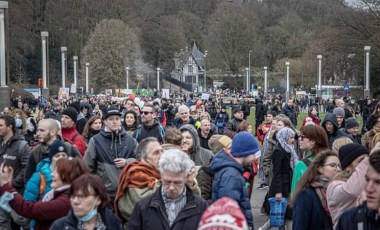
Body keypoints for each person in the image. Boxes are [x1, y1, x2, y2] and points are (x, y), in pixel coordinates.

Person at [127, 149, 208, 230]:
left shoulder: (200, 207)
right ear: (161, 176)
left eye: (177, 183)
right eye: (167, 182)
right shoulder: (143, 207)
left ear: (186, 177)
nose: (171, 188)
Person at [0, 157, 90, 230]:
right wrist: (7, 186)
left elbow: (30, 209)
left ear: (69, 176)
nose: (52, 174)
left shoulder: (66, 201)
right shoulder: (60, 194)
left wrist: (6, 185)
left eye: (56, 172)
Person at [84, 107, 137, 207]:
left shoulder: (130, 140)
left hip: (127, 192)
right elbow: (88, 167)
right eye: (111, 119)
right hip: (105, 193)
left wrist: (127, 161)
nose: (114, 122)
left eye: (117, 119)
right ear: (105, 122)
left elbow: (141, 160)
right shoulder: (95, 140)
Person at [211, 131, 261, 228]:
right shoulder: (231, 175)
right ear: (245, 152)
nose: (255, 158)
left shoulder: (233, 171)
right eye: (253, 154)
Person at [114, 137, 163, 226]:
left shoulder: (160, 173)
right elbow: (146, 204)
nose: (162, 155)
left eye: (162, 151)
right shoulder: (135, 174)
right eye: (156, 153)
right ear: (143, 159)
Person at [50, 174, 123, 230]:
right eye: (73, 196)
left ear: (98, 199)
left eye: (82, 196)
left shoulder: (114, 224)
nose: (75, 201)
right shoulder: (59, 226)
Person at [292, 150, 340, 230]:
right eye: (333, 165)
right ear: (320, 168)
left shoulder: (337, 191)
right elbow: (299, 226)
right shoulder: (305, 194)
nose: (337, 169)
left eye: (339, 166)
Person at [259, 127, 297, 230]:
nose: (293, 140)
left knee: (281, 214)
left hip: (287, 184)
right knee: (279, 214)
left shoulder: (289, 149)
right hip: (281, 186)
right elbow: (277, 173)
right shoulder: (279, 151)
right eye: (291, 137)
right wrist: (278, 191)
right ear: (284, 137)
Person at [326, 143, 370, 228]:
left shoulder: (366, 184)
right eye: (361, 161)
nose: (365, 165)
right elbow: (351, 191)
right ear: (347, 167)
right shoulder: (334, 186)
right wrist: (370, 159)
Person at [336, 147, 380, 230]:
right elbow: (350, 191)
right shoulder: (350, 220)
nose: (369, 189)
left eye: (378, 182)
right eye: (367, 179)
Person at [291, 125, 329, 193]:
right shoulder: (331, 162)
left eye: (302, 137)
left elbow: (294, 193)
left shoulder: (301, 165)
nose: (299, 139)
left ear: (312, 141)